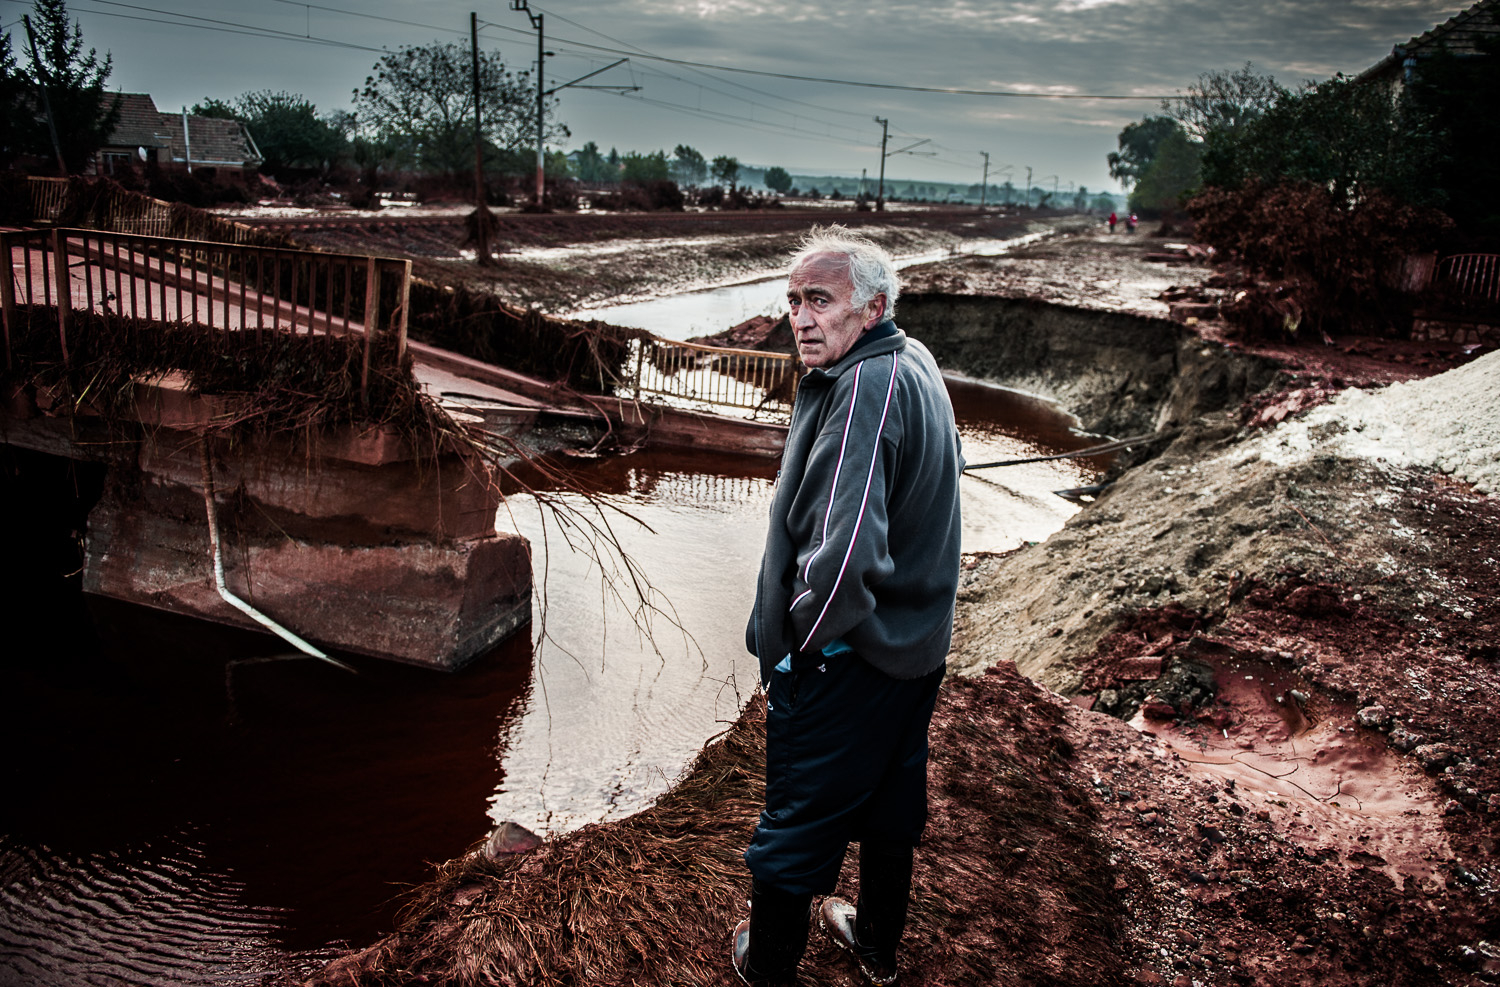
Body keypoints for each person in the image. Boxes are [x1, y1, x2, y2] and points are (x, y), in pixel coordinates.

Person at [734, 226, 963, 987]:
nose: (801, 317)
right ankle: (876, 945)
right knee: (891, 810)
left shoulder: (862, 388)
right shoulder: (913, 359)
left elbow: (845, 559)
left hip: (852, 658)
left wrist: (797, 646)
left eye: (820, 301)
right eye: (794, 299)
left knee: (795, 826)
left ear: (871, 308)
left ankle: (766, 968)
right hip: (915, 646)